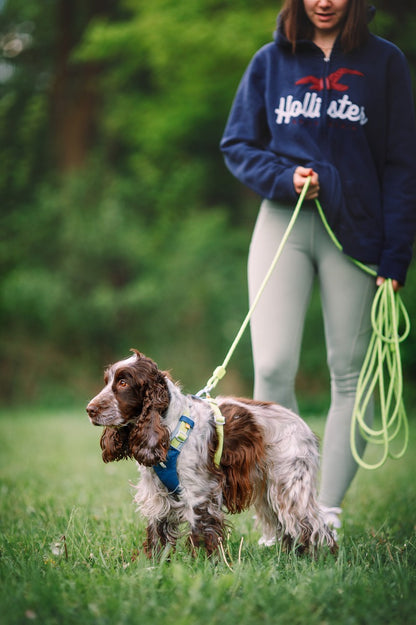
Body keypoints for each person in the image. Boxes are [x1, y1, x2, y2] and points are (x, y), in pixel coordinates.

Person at [220, 0, 416, 536]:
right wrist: (285, 177)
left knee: (352, 376)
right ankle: (285, 512)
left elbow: (403, 164)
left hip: (356, 232)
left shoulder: (385, 62)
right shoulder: (270, 60)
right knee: (273, 368)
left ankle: (324, 514)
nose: (324, 1)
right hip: (283, 219)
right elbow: (237, 144)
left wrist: (397, 254)